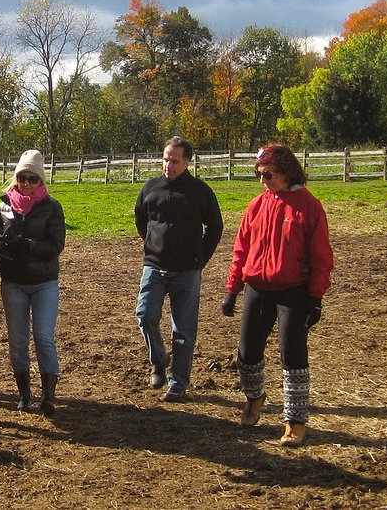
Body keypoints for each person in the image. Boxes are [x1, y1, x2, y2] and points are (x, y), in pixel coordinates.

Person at [221, 144, 333, 447]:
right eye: (259, 174)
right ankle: (254, 397)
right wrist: (233, 289)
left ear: (285, 171)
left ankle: (295, 420)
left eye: (267, 174)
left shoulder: (309, 207)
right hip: (258, 286)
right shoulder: (257, 206)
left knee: (292, 353)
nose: (262, 180)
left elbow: (321, 256)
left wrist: (315, 298)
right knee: (247, 354)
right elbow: (241, 248)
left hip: (293, 291)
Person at [134, 136, 223, 403]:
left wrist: (200, 258)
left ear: (186, 162)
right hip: (154, 267)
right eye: (165, 159)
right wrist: (153, 247)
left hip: (187, 271)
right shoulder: (150, 188)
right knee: (145, 315)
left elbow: (215, 227)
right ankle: (158, 359)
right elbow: (141, 220)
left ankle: (178, 382)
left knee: (183, 330)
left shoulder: (200, 192)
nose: (167, 165)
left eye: (174, 160)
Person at [0, 149, 66, 416]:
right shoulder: (3, 207)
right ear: (16, 178)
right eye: (23, 177)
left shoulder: (52, 208)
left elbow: (56, 246)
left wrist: (23, 244)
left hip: (44, 282)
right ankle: (24, 394)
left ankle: (49, 395)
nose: (27, 183)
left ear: (41, 180)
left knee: (43, 336)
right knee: (18, 341)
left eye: (33, 179)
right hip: (13, 282)